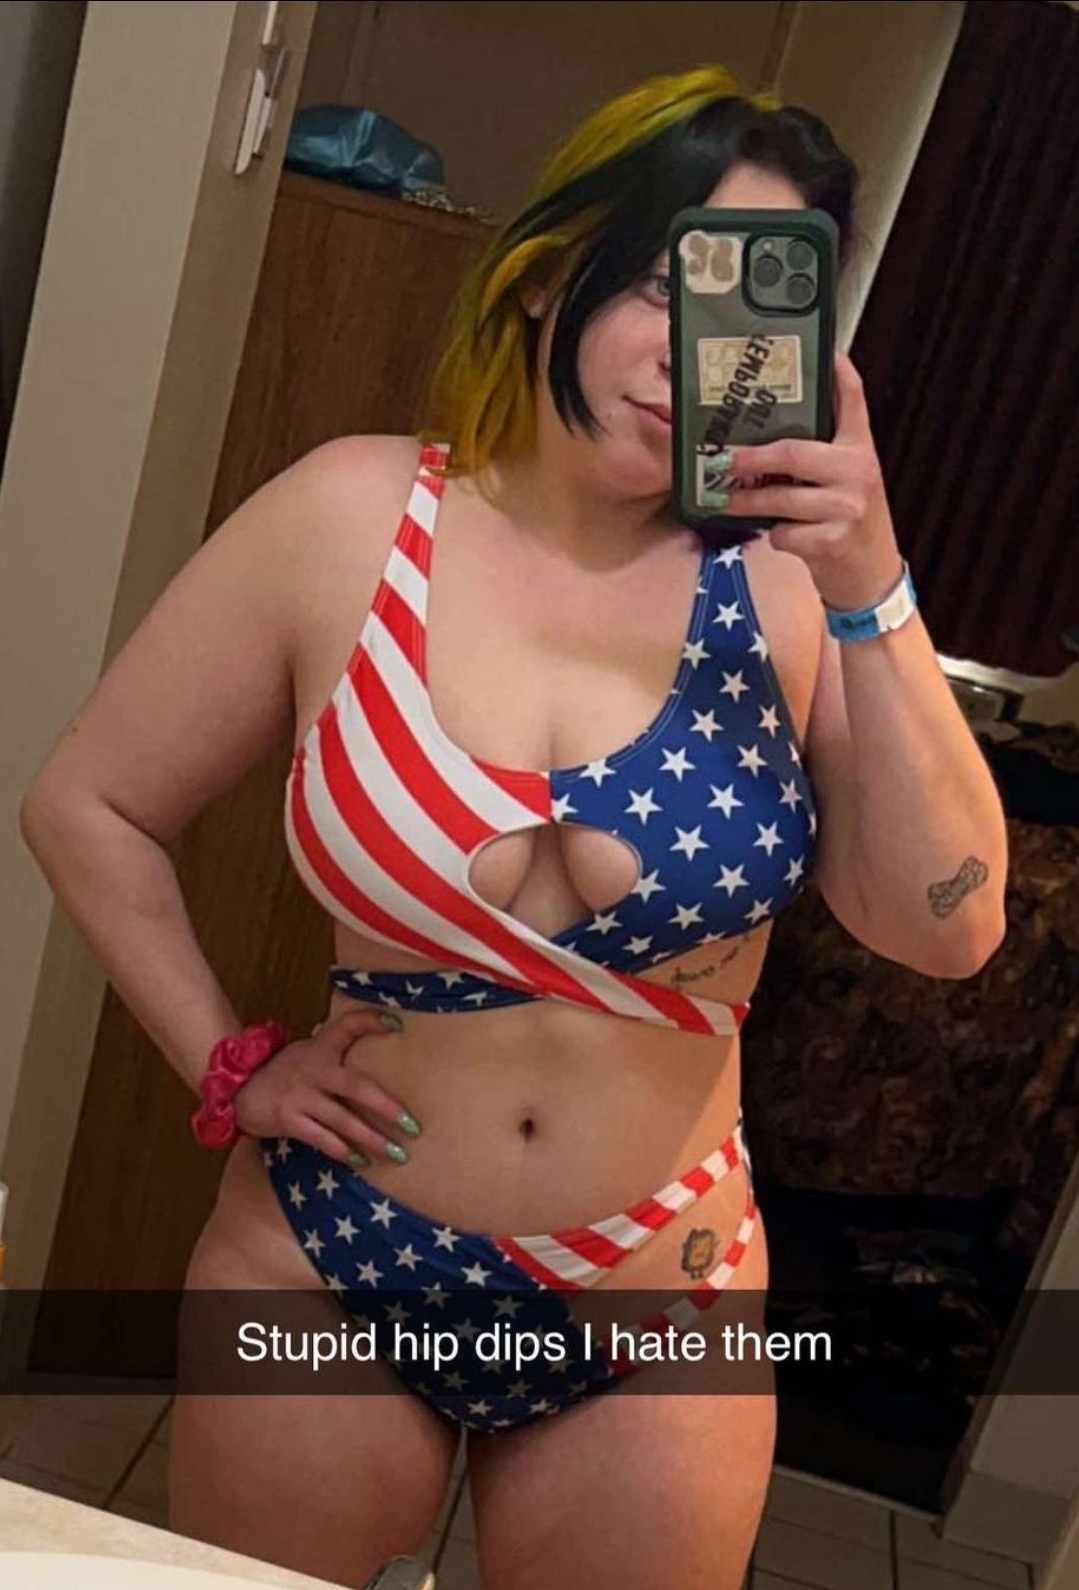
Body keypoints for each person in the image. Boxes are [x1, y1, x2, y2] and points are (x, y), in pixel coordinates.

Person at [19, 62, 1008, 1590]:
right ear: (550, 275)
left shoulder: (793, 593)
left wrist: (873, 582)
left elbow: (951, 926)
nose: (688, 350)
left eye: (745, 306)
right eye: (660, 286)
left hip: (659, 1291)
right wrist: (230, 1061)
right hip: (332, 1260)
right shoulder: (348, 518)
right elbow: (88, 804)